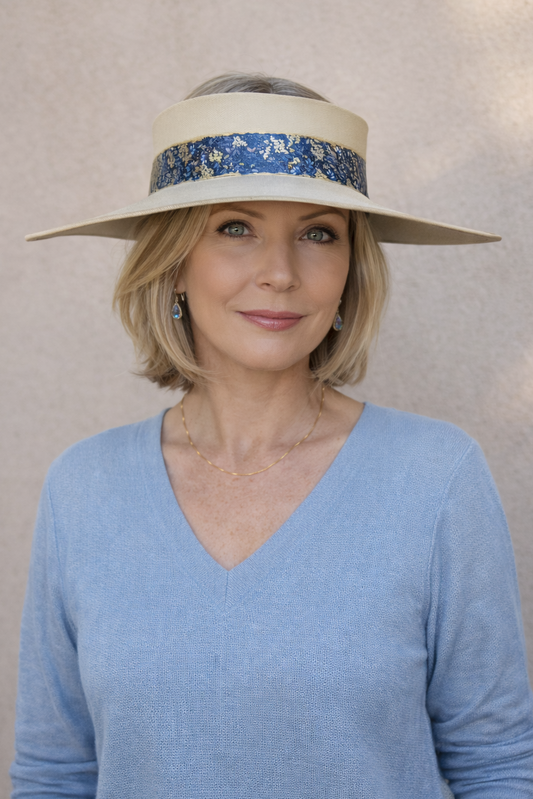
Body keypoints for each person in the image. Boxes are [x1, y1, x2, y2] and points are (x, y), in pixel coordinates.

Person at [11, 73, 533, 798]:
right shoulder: (83, 487)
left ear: (349, 273)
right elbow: (54, 774)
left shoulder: (437, 477)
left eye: (318, 233)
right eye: (235, 228)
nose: (280, 274)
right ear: (173, 265)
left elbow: (499, 766)